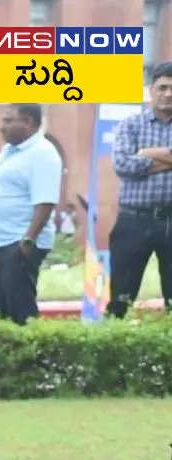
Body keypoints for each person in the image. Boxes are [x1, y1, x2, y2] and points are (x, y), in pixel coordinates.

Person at [0, 104, 61, 324]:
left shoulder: (42, 152)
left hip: (18, 243)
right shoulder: (9, 152)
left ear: (29, 122)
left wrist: (29, 239)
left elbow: (46, 202)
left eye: (8, 121)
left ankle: (31, 359)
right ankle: (2, 358)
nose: (1, 127)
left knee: (20, 311)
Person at [105, 62, 172, 318]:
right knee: (121, 297)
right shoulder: (130, 125)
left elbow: (135, 163)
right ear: (151, 90)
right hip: (134, 220)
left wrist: (145, 155)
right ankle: (112, 354)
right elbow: (123, 165)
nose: (168, 94)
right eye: (162, 87)